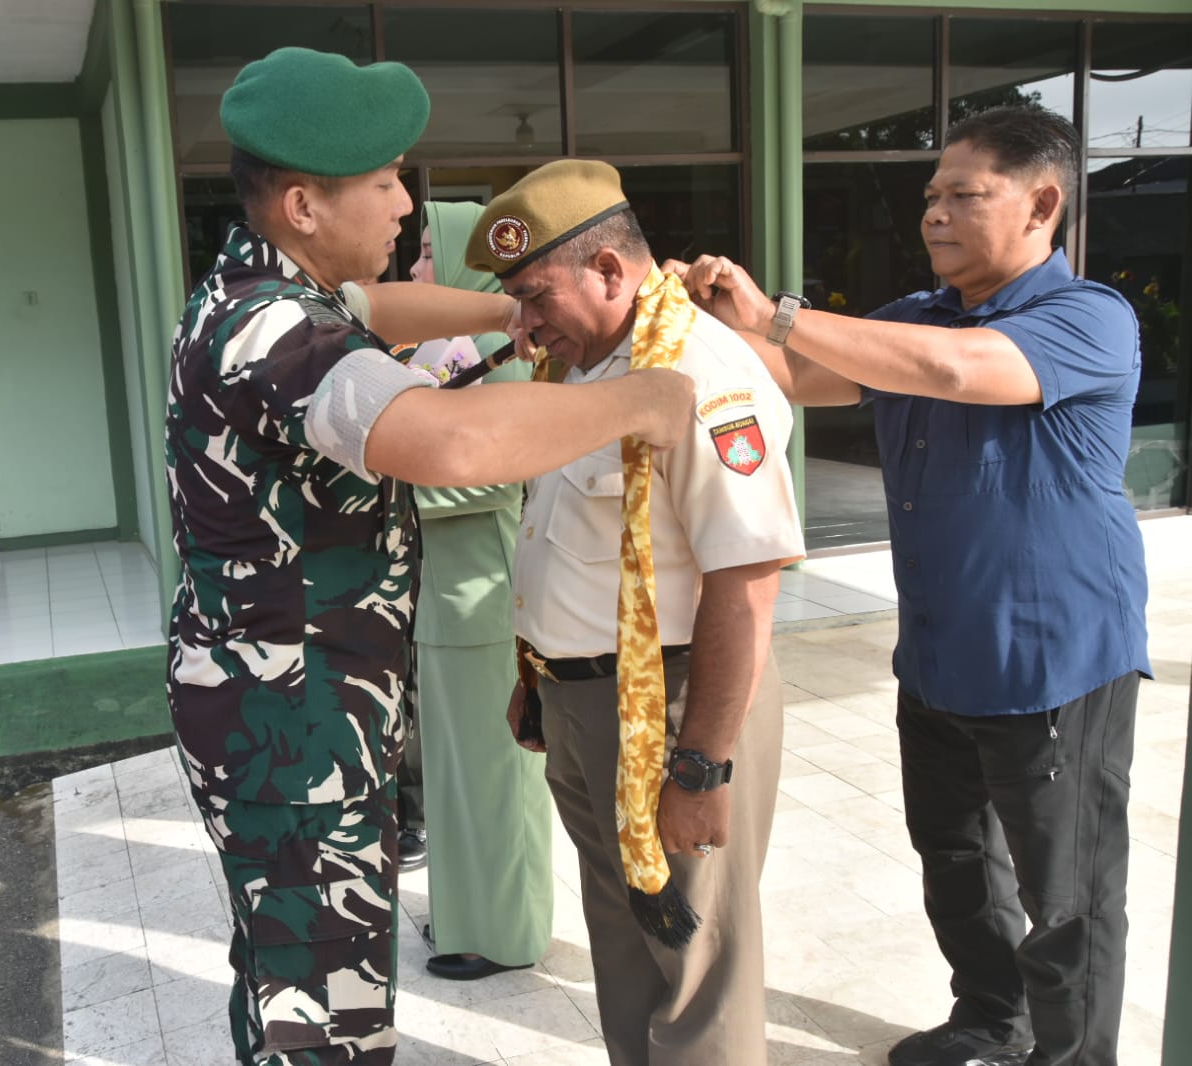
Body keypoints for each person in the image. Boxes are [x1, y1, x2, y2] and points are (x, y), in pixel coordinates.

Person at [163, 49, 696, 1066]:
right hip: (292, 727)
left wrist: (509, 311)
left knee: (285, 961)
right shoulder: (277, 332)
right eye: (383, 182)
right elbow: (447, 442)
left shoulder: (269, 291)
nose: (406, 204)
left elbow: (383, 311)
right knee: (321, 998)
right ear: (303, 205)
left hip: (283, 703)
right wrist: (638, 398)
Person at [670, 105, 1151, 1066]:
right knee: (955, 857)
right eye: (930, 195)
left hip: (1051, 659)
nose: (933, 213)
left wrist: (779, 313)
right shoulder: (911, 317)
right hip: (936, 651)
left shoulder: (1087, 318)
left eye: (962, 195)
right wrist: (700, 318)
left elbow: (951, 372)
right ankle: (991, 1018)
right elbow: (796, 376)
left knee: (1068, 896)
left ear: (1041, 205)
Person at [465, 160, 805, 1066]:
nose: (522, 321)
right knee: (621, 939)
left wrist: (700, 767)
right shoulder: (581, 364)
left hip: (676, 705)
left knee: (693, 959)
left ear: (610, 270)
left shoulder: (697, 369)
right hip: (580, 703)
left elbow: (747, 581)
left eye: (534, 295)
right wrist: (541, 679)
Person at [402, 200, 553, 981]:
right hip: (442, 594)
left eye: (430, 250)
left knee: (496, 773)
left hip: (484, 595)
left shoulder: (505, 351)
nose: (415, 266)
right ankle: (466, 916)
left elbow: (503, 473)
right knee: (456, 772)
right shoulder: (433, 348)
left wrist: (393, 480)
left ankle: (508, 934)